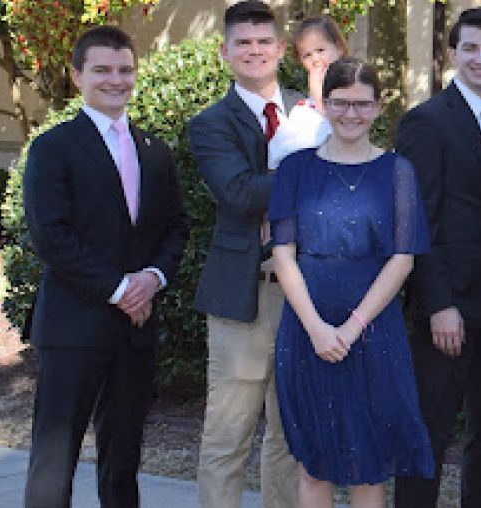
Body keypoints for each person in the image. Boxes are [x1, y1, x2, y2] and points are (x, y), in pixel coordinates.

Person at [21, 25, 189, 507]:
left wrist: (152, 279)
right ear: (77, 76)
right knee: (54, 464)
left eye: (124, 70)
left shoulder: (155, 150)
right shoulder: (54, 148)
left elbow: (175, 227)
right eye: (102, 70)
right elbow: (51, 236)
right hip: (73, 328)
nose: (115, 80)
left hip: (134, 333)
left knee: (124, 462)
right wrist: (120, 290)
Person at [269, 56, 435, 507]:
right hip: (306, 329)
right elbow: (283, 255)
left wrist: (351, 326)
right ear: (325, 104)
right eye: (341, 103)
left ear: (379, 108)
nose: (351, 114)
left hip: (374, 331)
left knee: (370, 468)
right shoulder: (294, 170)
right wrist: (318, 329)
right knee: (313, 466)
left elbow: (402, 259)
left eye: (363, 105)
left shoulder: (398, 171)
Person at [393, 7, 481, 508]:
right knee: (428, 434)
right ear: (452, 54)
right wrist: (438, 303)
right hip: (447, 310)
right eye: (470, 47)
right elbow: (416, 218)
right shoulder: (425, 122)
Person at [189, 2, 303, 506]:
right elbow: (237, 193)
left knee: (290, 436)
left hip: (306, 297)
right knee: (227, 437)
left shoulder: (312, 109)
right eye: (243, 42)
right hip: (244, 294)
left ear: (280, 48)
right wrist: (310, 178)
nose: (254, 50)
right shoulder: (211, 124)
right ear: (225, 52)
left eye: (264, 41)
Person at [266, 15, 347, 170]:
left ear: (339, 48)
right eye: (307, 55)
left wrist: (318, 94)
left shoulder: (349, 79)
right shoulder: (304, 103)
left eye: (320, 50)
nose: (315, 59)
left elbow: (333, 115)